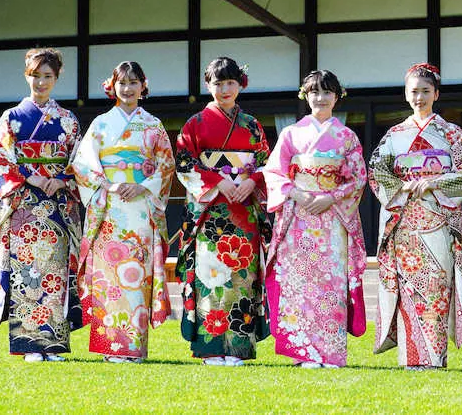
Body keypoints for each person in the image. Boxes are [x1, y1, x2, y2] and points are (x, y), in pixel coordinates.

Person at [369, 63, 462, 370]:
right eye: (414, 91)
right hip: (405, 219)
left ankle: (435, 356)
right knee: (410, 286)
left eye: (426, 91)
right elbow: (377, 173)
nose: (420, 97)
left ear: (436, 94)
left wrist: (434, 183)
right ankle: (411, 357)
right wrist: (403, 188)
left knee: (436, 286)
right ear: (406, 95)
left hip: (438, 218)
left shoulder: (451, 133)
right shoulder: (394, 135)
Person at [71, 61, 175, 363]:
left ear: (143, 86)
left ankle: (134, 346)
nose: (127, 89)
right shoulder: (101, 124)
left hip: (141, 209)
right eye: (122, 83)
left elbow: (166, 165)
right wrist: (110, 184)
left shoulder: (152, 125)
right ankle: (111, 346)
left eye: (133, 83)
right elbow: (83, 164)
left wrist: (143, 186)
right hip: (111, 207)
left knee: (137, 276)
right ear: (112, 86)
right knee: (109, 276)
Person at [264, 70, 368, 369]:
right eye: (314, 92)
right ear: (305, 96)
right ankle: (304, 351)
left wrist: (330, 197)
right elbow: (274, 172)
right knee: (300, 281)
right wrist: (297, 194)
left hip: (332, 216)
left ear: (337, 96)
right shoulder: (291, 133)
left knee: (331, 282)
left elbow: (358, 178)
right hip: (299, 214)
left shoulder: (347, 137)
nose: (320, 98)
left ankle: (331, 352)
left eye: (326, 92)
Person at [0, 48, 83, 362]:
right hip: (25, 203)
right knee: (27, 271)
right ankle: (30, 344)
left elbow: (80, 162)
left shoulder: (68, 120)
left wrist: (63, 179)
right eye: (35, 76)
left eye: (47, 77)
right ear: (26, 75)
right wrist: (32, 176)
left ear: (56, 79)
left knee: (53, 272)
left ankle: (52, 344)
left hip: (56, 203)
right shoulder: (11, 118)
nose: (40, 82)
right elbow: (0, 158)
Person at [174, 57, 271, 366]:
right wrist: (218, 181)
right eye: (218, 83)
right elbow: (185, 162)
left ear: (239, 85)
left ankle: (239, 348)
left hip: (242, 210)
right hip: (211, 212)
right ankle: (211, 348)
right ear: (208, 86)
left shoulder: (252, 124)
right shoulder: (196, 124)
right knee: (210, 276)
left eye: (230, 83)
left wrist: (252, 180)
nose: (225, 89)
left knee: (242, 278)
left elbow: (267, 162)